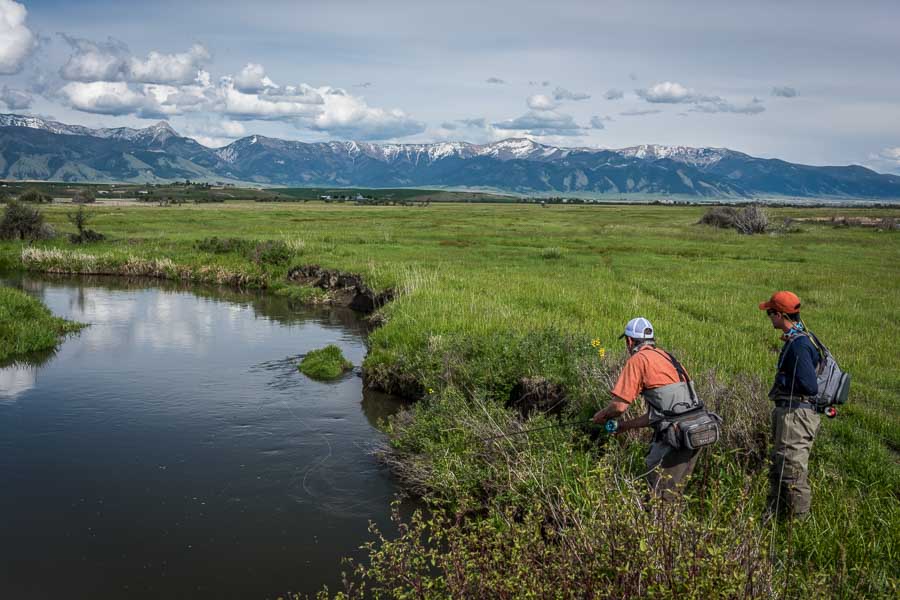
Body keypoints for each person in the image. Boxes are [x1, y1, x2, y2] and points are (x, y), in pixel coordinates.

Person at [592, 317, 706, 499]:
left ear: (629, 341)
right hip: (697, 432)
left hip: (676, 437)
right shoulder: (668, 357)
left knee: (660, 501)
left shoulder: (638, 360)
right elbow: (662, 414)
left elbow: (619, 406)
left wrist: (603, 414)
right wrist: (624, 426)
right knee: (674, 496)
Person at [759, 290, 821, 519]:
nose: (769, 318)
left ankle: (798, 525)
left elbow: (810, 385)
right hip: (790, 412)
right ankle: (777, 516)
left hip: (797, 414)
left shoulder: (799, 345)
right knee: (780, 467)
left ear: (779, 314)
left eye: (770, 313)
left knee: (792, 472)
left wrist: (786, 382)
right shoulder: (797, 339)